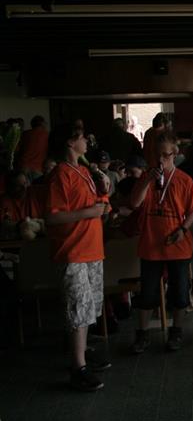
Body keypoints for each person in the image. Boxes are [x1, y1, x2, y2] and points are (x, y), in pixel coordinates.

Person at [45, 123, 109, 391]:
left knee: (89, 306)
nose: (87, 142)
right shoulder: (60, 175)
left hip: (92, 247)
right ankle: (77, 367)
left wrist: (103, 195)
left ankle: (82, 353)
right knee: (78, 308)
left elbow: (94, 203)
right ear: (70, 143)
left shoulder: (83, 171)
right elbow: (52, 217)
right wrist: (88, 213)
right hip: (73, 250)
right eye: (82, 138)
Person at [129, 132, 193, 353]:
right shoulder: (146, 178)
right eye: (157, 155)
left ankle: (176, 331)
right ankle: (142, 335)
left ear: (174, 154)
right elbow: (134, 203)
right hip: (151, 246)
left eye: (166, 155)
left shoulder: (184, 180)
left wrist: (183, 229)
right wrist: (147, 180)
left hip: (177, 245)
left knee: (179, 293)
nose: (161, 160)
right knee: (147, 294)